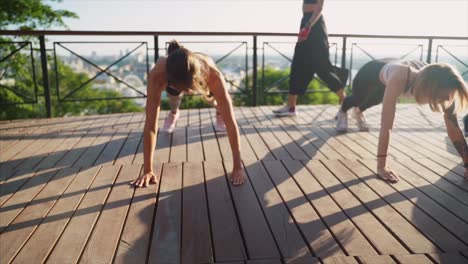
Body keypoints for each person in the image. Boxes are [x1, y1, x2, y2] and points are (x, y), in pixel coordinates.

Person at [131, 40, 246, 187]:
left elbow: (231, 123)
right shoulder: (157, 76)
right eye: (186, 89)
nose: (190, 92)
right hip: (175, 78)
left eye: (191, 88)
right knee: (174, 99)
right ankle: (174, 112)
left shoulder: (212, 73)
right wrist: (148, 170)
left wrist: (238, 167)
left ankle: (218, 111)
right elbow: (150, 126)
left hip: (200, 76)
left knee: (216, 104)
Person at [336, 59, 468, 182]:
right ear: (430, 88)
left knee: (375, 99)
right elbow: (386, 125)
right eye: (443, 97)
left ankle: (358, 112)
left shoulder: (444, 82)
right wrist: (382, 167)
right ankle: (343, 110)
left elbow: (454, 128)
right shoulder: (401, 78)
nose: (446, 100)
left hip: (393, 74)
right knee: (358, 99)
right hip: (371, 72)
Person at [273, 0, 349, 117]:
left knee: (323, 69)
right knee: (298, 65)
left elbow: (319, 8)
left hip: (314, 26)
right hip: (306, 22)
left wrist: (308, 26)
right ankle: (291, 106)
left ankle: (347, 105)